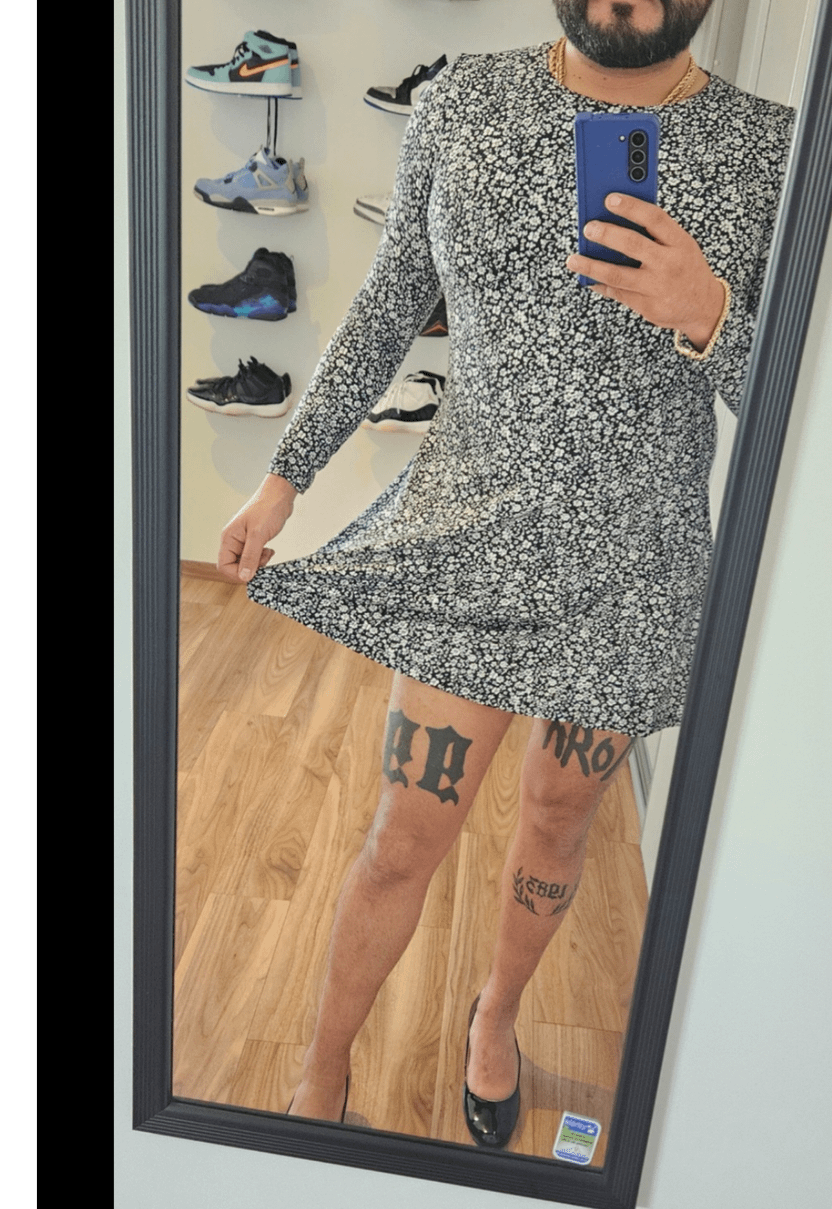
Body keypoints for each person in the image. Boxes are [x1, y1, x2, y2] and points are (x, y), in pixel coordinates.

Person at [217, 0, 794, 1146]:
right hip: (467, 534)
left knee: (558, 822)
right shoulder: (463, 102)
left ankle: (498, 1015)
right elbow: (388, 305)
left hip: (636, 562)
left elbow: (795, 397)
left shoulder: (772, 149)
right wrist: (285, 476)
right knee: (405, 835)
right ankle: (320, 1076)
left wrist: (712, 312)